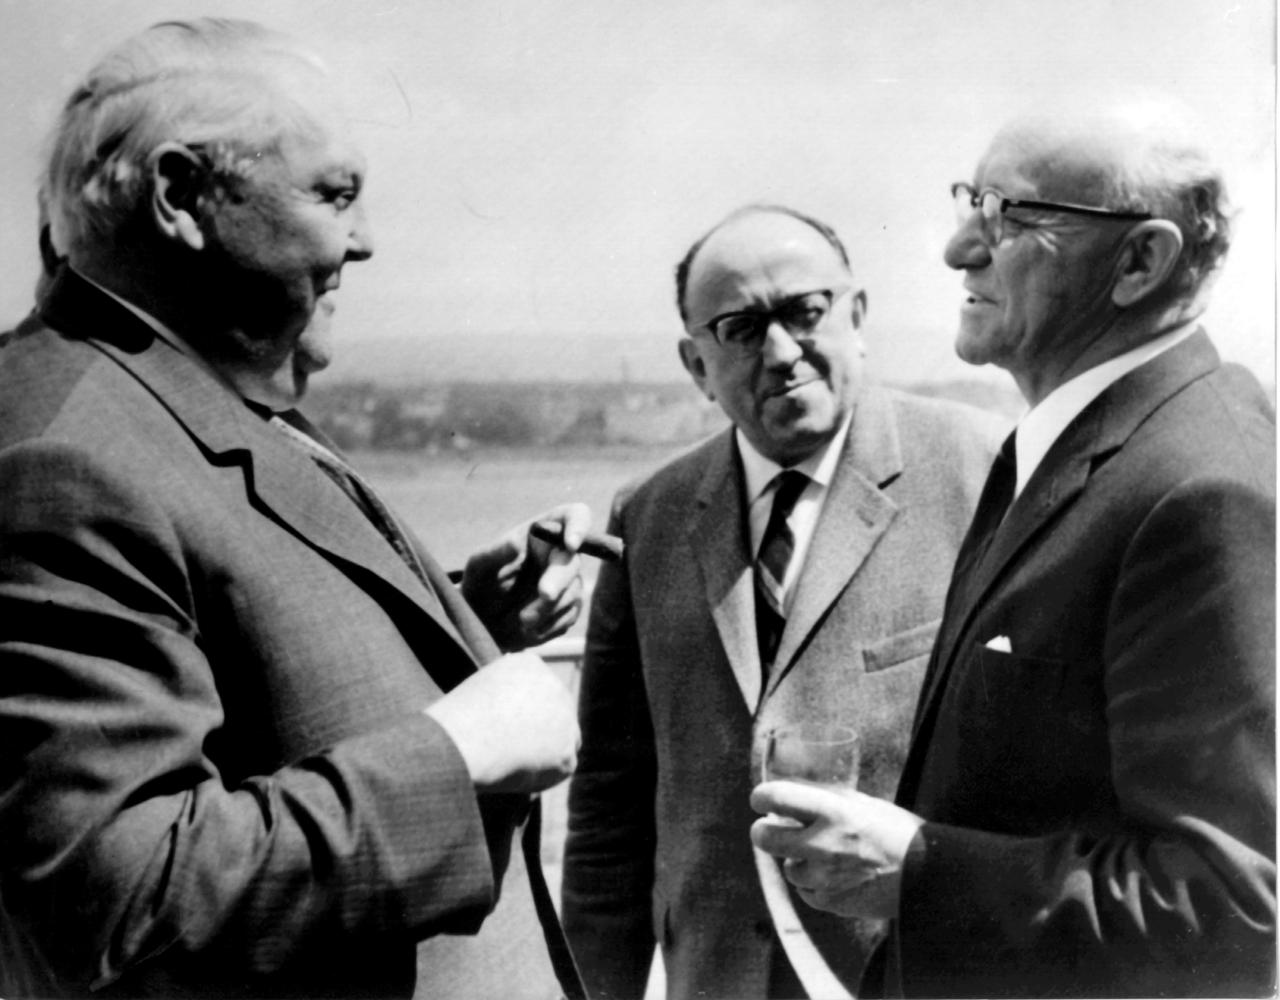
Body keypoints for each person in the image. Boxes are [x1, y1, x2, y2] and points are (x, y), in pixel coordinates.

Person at [0, 19, 590, 1000]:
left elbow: (225, 640)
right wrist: (457, 751)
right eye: (334, 194)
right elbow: (119, 897)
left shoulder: (169, 392)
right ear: (183, 195)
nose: (364, 240)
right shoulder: (61, 457)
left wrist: (456, 620)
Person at [752, 97, 1277, 997]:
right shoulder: (1084, 447)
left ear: (1142, 261)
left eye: (1013, 215)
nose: (959, 247)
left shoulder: (1200, 490)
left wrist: (917, 869)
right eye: (972, 202)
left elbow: (1234, 911)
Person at [562, 204, 1002, 999]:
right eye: (739, 327)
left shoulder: (985, 473)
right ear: (696, 364)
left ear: (857, 316)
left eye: (805, 313)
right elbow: (608, 805)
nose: (781, 352)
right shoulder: (652, 516)